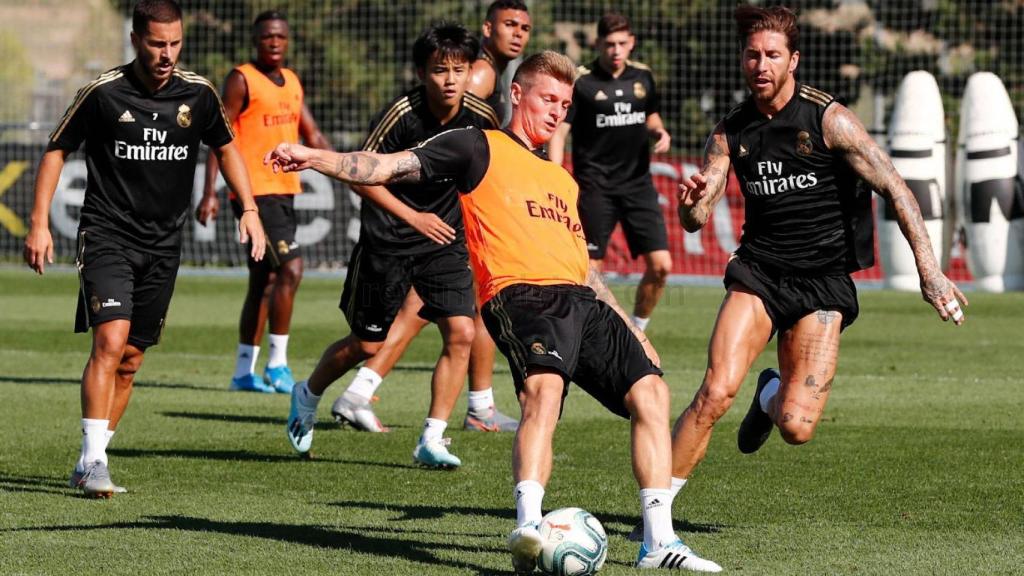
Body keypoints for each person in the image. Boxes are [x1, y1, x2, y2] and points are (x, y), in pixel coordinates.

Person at [268, 50, 722, 573]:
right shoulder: (475, 145)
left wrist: (626, 324)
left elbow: (584, 267)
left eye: (565, 103)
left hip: (581, 300)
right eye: (547, 98)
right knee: (543, 392)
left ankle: (657, 542)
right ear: (515, 94)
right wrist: (313, 156)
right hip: (521, 295)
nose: (557, 111)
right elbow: (386, 166)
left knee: (653, 391)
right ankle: (529, 525)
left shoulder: (562, 180)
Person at [667, 4, 967, 517]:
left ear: (793, 60)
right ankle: (655, 522)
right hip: (759, 274)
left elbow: (896, 187)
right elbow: (698, 215)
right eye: (752, 55)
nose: (760, 64)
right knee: (715, 391)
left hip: (823, 282)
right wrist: (691, 203)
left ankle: (770, 397)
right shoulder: (729, 132)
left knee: (796, 427)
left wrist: (930, 272)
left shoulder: (830, 120)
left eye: (772, 56)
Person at [22, 0, 265, 498]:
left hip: (164, 243)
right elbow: (55, 150)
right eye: (157, 44)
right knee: (109, 343)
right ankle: (93, 462)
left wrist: (250, 208)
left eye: (175, 43)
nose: (167, 54)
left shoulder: (197, 95)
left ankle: (93, 456)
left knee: (132, 358)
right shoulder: (103, 93)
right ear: (136, 40)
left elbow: (226, 147)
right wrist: (38, 224)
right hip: (108, 233)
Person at [282, 22, 498, 469]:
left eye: (459, 69)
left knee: (461, 331)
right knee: (367, 345)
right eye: (440, 70)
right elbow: (362, 177)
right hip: (389, 238)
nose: (451, 79)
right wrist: (413, 217)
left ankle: (432, 439)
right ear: (422, 73)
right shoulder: (401, 114)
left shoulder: (482, 117)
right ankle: (307, 393)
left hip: (444, 239)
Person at [330, 0, 533, 434]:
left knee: (465, 310)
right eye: (508, 25)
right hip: (429, 221)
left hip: (448, 217)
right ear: (487, 29)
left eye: (525, 27)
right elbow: (452, 149)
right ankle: (365, 391)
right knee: (424, 310)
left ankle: (471, 404)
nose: (518, 34)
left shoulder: (487, 74)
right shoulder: (477, 75)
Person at [196, 10, 330, 395]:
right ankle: (277, 365)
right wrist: (210, 193)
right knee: (292, 270)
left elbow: (314, 135)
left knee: (264, 280)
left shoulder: (291, 81)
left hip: (285, 190)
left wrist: (352, 171)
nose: (274, 42)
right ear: (256, 40)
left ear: (288, 41)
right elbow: (218, 136)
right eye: (267, 37)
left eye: (280, 37)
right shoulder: (242, 80)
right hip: (255, 194)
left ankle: (243, 372)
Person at [548, 12, 673, 334]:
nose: (616, 50)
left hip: (638, 185)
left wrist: (660, 132)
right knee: (591, 271)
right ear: (598, 43)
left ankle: (637, 329)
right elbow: (560, 133)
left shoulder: (643, 77)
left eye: (622, 43)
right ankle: (599, 334)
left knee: (661, 266)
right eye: (609, 44)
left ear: (631, 43)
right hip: (595, 187)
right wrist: (555, 175)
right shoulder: (582, 80)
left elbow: (652, 116)